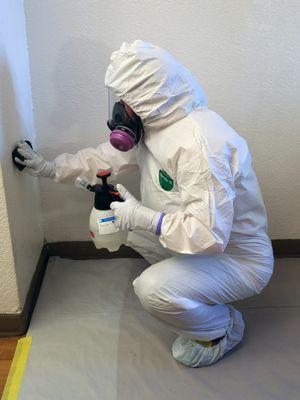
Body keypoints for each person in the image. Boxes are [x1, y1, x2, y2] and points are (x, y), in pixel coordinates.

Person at [14, 40, 274, 367]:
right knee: (125, 229)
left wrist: (145, 217)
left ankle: (223, 328)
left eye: (125, 100)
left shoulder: (201, 147)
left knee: (151, 289)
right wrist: (51, 168)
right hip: (195, 239)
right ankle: (188, 286)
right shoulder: (154, 125)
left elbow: (209, 235)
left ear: (149, 95)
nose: (119, 109)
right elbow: (103, 158)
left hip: (237, 258)